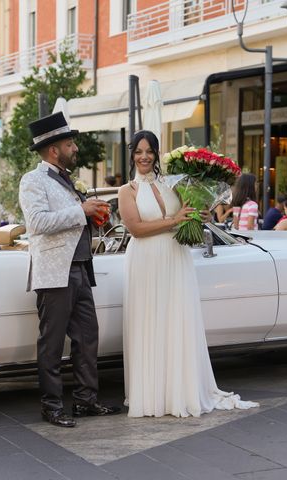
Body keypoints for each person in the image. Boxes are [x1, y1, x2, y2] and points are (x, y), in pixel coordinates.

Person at [118, 130, 258, 418]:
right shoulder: (126, 191)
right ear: (131, 154)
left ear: (157, 154)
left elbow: (187, 217)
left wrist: (202, 216)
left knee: (176, 321)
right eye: (138, 151)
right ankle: (152, 395)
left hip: (175, 258)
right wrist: (173, 220)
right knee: (149, 322)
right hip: (144, 262)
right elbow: (135, 229)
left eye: (150, 151)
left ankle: (179, 391)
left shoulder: (175, 185)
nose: (144, 157)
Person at [18, 112, 120, 428]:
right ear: (53, 149)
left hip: (80, 270)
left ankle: (86, 401)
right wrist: (81, 210)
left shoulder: (67, 179)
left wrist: (93, 216)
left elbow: (72, 220)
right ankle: (51, 406)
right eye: (70, 143)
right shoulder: (32, 180)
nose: (75, 148)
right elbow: (37, 223)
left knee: (88, 337)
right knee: (51, 344)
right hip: (53, 272)